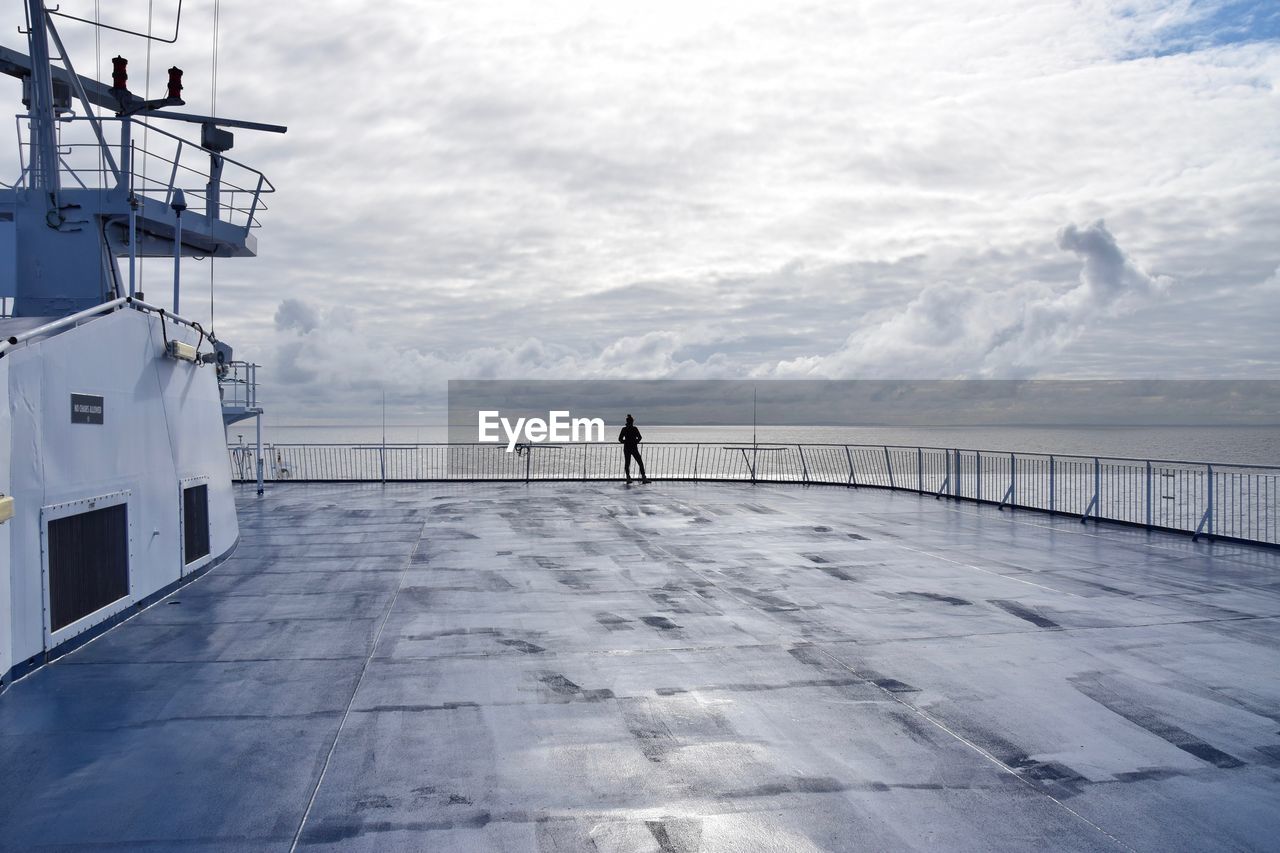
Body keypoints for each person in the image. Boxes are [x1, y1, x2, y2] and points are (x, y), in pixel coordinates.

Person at [618, 414, 649, 483]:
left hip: (626, 448)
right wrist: (635, 441)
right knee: (640, 462)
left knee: (627, 463)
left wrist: (626, 442)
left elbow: (620, 439)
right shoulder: (634, 429)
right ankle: (643, 478)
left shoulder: (624, 429)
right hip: (634, 448)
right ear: (632, 422)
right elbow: (640, 437)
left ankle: (628, 478)